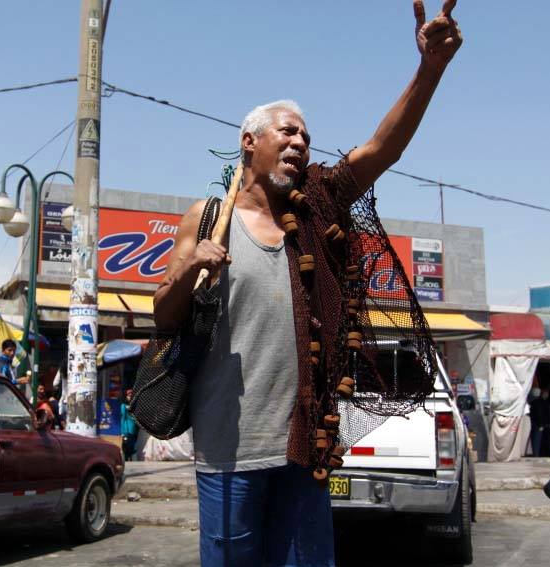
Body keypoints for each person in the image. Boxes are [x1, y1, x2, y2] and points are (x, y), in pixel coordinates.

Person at [152, 3, 463, 564]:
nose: (300, 141)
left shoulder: (318, 208)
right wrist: (187, 268)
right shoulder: (204, 218)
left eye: (307, 137)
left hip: (307, 446)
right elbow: (163, 316)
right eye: (287, 131)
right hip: (230, 453)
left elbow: (379, 151)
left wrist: (430, 71)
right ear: (249, 141)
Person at [530, 388, 550, 457]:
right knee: (536, 441)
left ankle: (536, 454)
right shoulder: (538, 402)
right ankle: (536, 454)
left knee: (536, 440)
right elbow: (539, 414)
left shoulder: (533, 402)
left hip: (536, 424)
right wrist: (541, 424)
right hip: (538, 425)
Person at [121, 389, 138, 461]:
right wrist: (122, 431)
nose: (130, 397)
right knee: (126, 445)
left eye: (131, 396)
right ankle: (126, 458)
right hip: (126, 429)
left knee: (132, 446)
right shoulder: (123, 406)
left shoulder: (134, 406)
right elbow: (122, 418)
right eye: (128, 396)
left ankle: (130, 457)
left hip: (133, 429)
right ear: (126, 396)